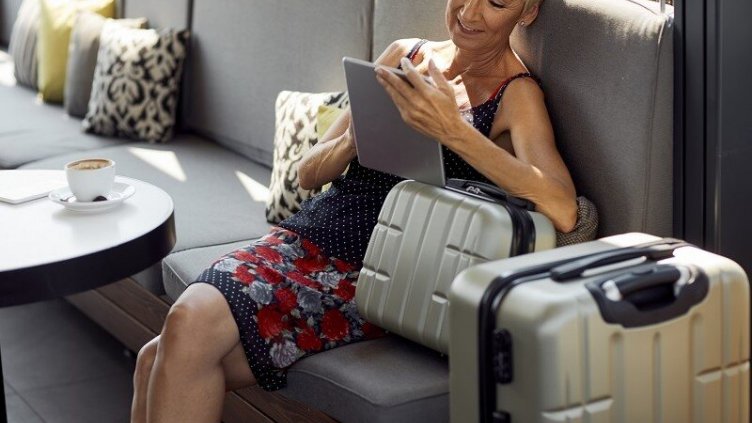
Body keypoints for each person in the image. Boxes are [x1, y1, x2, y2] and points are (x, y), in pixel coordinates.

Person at [130, 0, 578, 421]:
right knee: (155, 357)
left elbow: (563, 208)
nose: (470, 11)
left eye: (497, 2)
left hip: (373, 272)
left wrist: (455, 133)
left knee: (181, 330)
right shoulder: (405, 55)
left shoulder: (516, 94)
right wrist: (353, 138)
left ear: (528, 11)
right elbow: (308, 173)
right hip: (306, 237)